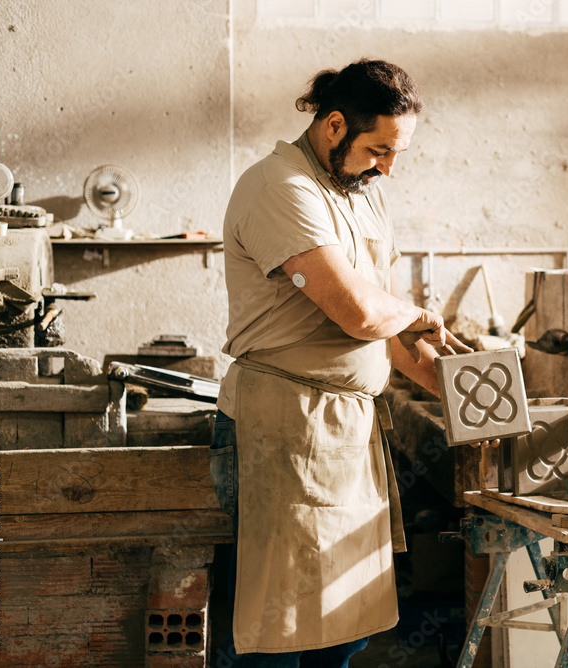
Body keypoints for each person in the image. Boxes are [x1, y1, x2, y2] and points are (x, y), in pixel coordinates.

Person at [210, 58, 472, 667]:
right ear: (333, 126)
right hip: (282, 426)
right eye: (378, 148)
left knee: (344, 626)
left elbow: (383, 329)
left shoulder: (363, 195)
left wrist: (464, 400)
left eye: (397, 151)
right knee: (276, 630)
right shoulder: (280, 187)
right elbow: (359, 313)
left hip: (348, 430)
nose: (388, 166)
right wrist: (416, 314)